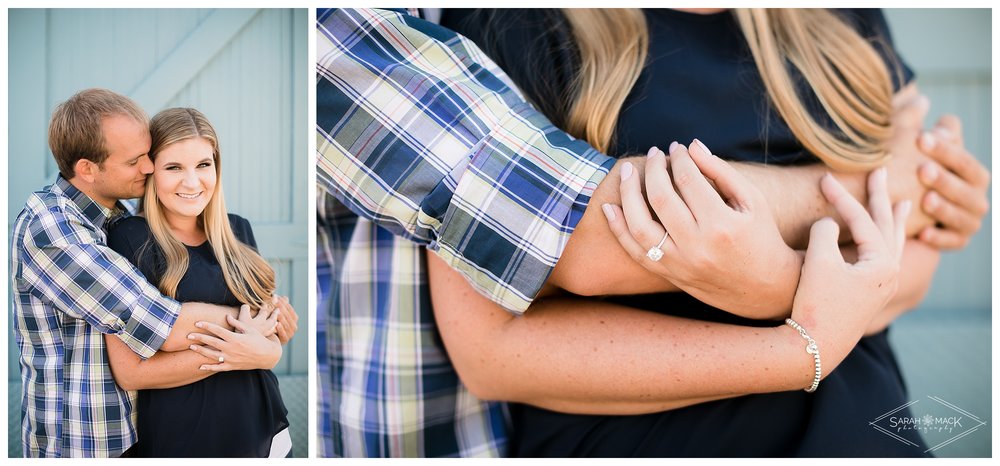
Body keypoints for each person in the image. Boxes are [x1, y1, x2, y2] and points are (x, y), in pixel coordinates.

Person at [316, 8, 988, 457]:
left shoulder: (837, 19)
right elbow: (491, 350)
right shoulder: (516, 23)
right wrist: (797, 313)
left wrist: (778, 290)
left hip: (859, 423)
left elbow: (913, 247)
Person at [9, 89, 292, 457]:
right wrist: (254, 330)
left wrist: (267, 345)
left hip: (200, 431)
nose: (147, 168)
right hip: (81, 443)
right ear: (87, 169)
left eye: (147, 156)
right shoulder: (55, 229)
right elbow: (161, 324)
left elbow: (269, 334)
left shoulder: (113, 218)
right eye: (136, 161)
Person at [105, 107, 295, 457]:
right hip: (182, 436)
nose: (192, 183)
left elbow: (266, 331)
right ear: (152, 172)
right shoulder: (128, 238)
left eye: (203, 165)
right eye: (174, 167)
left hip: (264, 428)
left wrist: (270, 345)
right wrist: (251, 350)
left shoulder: (239, 230)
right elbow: (131, 373)